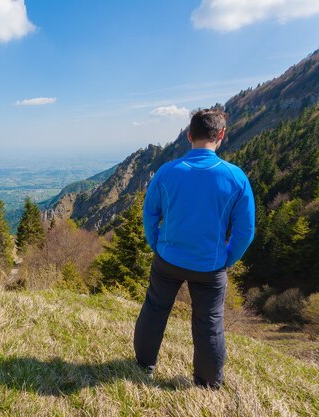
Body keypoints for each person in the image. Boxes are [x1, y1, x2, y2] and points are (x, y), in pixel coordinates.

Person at [133, 108, 255, 389]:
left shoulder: (166, 172)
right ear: (221, 135)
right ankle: (207, 384)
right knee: (209, 323)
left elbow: (150, 214)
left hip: (168, 258)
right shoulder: (236, 178)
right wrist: (227, 258)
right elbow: (245, 230)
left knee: (154, 309)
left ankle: (143, 366)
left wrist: (157, 244)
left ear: (189, 135)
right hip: (210, 265)